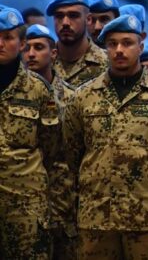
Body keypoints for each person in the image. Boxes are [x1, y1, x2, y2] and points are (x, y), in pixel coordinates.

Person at [63, 14, 148, 259]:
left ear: (141, 45)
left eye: (127, 43)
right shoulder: (83, 97)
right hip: (98, 218)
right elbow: (72, 152)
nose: (119, 50)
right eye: (112, 44)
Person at [0, 8, 61, 259]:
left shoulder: (38, 90)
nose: (0, 44)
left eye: (8, 37)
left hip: (24, 205)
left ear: (22, 43)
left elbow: (50, 145)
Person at [23, 24, 79, 259]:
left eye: (38, 47)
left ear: (53, 53)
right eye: (26, 48)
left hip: (64, 202)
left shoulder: (73, 97)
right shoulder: (12, 95)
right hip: (24, 202)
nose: (31, 54)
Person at [47, 0, 109, 87]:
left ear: (88, 19)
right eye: (59, 16)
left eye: (73, 15)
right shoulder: (43, 62)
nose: (65, 23)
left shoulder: (108, 64)